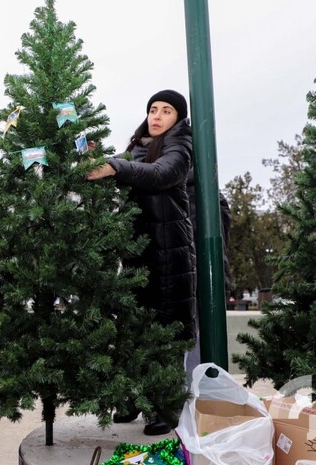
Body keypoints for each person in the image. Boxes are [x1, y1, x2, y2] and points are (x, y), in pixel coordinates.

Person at [87, 89, 196, 436]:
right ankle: (134, 398)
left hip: (170, 257)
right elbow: (122, 170)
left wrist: (114, 167)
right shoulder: (137, 148)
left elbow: (158, 174)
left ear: (177, 118)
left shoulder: (180, 148)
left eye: (166, 110)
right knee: (134, 331)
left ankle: (164, 407)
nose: (157, 115)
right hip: (138, 256)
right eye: (153, 109)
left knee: (166, 335)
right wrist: (94, 162)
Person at [184, 169, 233, 385]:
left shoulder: (177, 187)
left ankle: (191, 396)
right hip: (200, 273)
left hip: (191, 274)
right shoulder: (212, 192)